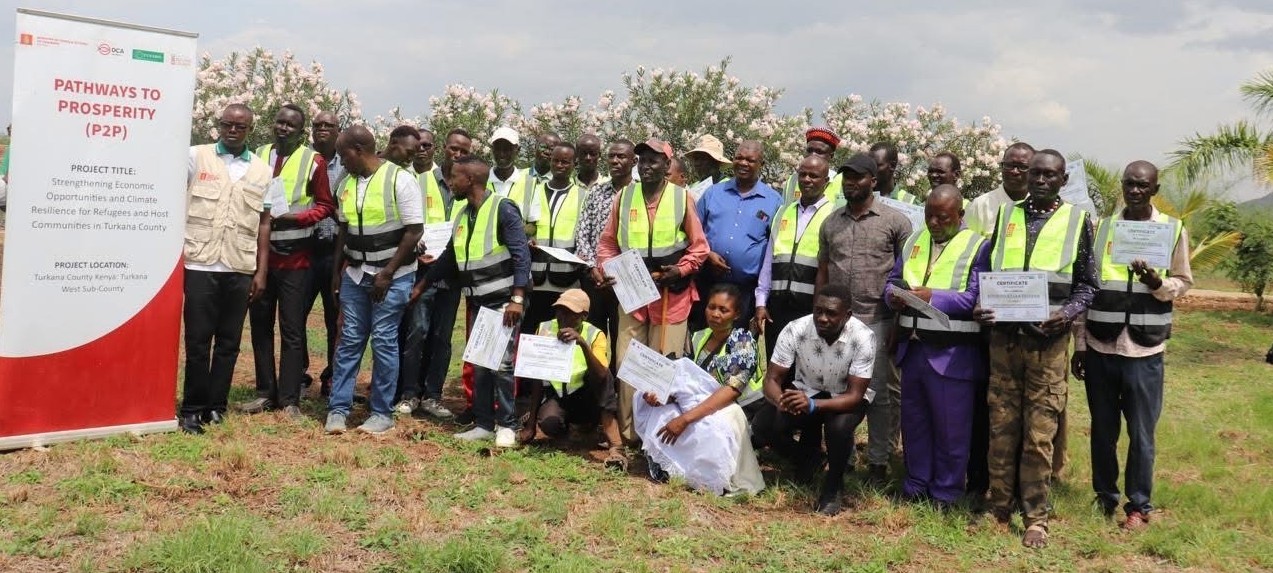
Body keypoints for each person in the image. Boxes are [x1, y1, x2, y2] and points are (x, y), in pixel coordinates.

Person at [973, 148, 1097, 548]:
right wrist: (983, 306)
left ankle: (1036, 517)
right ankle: (998, 505)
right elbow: (989, 272)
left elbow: (1088, 284)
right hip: (1005, 342)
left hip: (1048, 345)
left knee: (1040, 433)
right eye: (1035, 175)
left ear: (1063, 180)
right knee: (1001, 426)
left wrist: (1069, 314)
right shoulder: (1007, 216)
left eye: (1050, 175)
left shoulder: (1077, 221)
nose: (1041, 181)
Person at [1072, 160, 1192, 530]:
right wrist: (1079, 343)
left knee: (1142, 433)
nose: (1135, 190)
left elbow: (1184, 281)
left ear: (1155, 190)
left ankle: (1138, 506)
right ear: (1121, 187)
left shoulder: (1172, 230)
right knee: (1103, 429)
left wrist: (1157, 283)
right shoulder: (1102, 228)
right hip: (1101, 343)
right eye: (1129, 184)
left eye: (1143, 185)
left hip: (1145, 349)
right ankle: (1104, 496)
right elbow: (1087, 287)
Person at [596, 137, 710, 444]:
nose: (647, 166)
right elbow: (608, 243)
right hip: (632, 293)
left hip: (670, 293)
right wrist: (606, 268)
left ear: (667, 165)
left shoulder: (681, 197)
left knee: (664, 363)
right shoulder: (623, 197)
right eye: (643, 160)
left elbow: (699, 248)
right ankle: (630, 433)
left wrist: (682, 269)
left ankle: (660, 434)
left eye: (654, 161)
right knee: (629, 362)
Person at [884, 185, 990, 507]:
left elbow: (975, 296)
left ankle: (946, 492)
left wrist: (933, 296)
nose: (933, 222)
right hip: (913, 349)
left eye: (942, 217)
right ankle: (916, 485)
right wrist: (892, 296)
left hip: (951, 354)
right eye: (929, 214)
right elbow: (894, 279)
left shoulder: (978, 246)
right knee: (915, 424)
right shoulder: (915, 240)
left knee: (950, 430)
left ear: (959, 215)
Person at [417, 155, 532, 448]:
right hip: (478, 301)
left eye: (454, 177)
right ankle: (483, 423)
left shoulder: (503, 208)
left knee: (502, 365)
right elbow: (450, 258)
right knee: (481, 362)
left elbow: (521, 255)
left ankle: (507, 425)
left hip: (504, 300)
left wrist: (517, 299)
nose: (450, 182)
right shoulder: (463, 214)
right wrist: (422, 285)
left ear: (469, 180)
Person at [815, 152, 912, 485]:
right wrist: (819, 314)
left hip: (878, 318)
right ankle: (839, 455)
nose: (850, 183)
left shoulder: (895, 222)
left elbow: (904, 278)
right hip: (838, 322)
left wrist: (897, 326)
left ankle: (879, 461)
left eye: (857, 177)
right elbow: (824, 269)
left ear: (873, 181)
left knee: (880, 395)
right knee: (836, 388)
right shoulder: (831, 223)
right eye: (846, 178)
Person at [179, 103, 276, 434]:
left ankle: (215, 407)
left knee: (229, 343)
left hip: (239, 266)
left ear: (250, 129)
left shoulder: (263, 171)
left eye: (240, 126)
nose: (233, 130)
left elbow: (265, 224)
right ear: (218, 126)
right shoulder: (195, 156)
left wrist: (261, 271)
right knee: (197, 341)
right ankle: (191, 409)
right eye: (227, 125)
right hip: (199, 263)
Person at [324, 126, 425, 435]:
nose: (341, 162)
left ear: (358, 150)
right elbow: (343, 229)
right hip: (355, 275)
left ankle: (381, 413)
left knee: (383, 341)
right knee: (350, 340)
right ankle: (338, 409)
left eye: (343, 156)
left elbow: (414, 231)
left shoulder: (401, 179)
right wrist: (335, 273)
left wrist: (388, 272)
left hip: (392, 277)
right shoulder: (346, 184)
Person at [239, 104, 335, 418]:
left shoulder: (314, 161)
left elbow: (325, 205)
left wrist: (300, 218)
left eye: (290, 125)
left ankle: (290, 399)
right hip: (260, 258)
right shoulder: (258, 154)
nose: (283, 129)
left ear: (300, 131)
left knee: (292, 329)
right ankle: (265, 392)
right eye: (279, 122)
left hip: (296, 258)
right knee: (260, 326)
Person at [752, 285, 875, 515]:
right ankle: (808, 458)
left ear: (847, 315)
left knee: (838, 428)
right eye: (818, 311)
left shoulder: (863, 337)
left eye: (831, 313)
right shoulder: (795, 329)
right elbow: (771, 379)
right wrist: (782, 401)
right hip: (806, 389)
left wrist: (812, 406)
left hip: (844, 398)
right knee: (764, 424)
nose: (823, 318)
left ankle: (833, 486)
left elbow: (855, 395)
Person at [637, 284, 766, 495]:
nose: (715, 314)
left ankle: (712, 476)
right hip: (699, 401)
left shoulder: (742, 341)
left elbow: (732, 391)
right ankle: (677, 468)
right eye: (711, 307)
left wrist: (685, 419)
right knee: (655, 407)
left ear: (737, 314)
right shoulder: (698, 336)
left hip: (735, 407)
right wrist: (665, 397)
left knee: (707, 423)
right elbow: (686, 382)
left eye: (723, 310)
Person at [962, 141, 1035, 497]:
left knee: (1031, 407)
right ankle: (980, 479)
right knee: (986, 404)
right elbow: (969, 260)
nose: (1016, 172)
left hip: (1035, 327)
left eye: (1024, 167)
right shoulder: (983, 206)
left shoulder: (1049, 212)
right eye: (1010, 165)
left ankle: (1027, 481)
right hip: (989, 323)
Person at [392, 128, 466, 419]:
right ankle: (409, 394)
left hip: (454, 274)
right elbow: (406, 220)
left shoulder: (469, 185)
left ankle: (433, 396)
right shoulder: (417, 181)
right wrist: (416, 245)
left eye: (463, 150)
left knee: (442, 336)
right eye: (453, 149)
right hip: (423, 270)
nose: (457, 154)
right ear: (442, 149)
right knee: (417, 332)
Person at [519, 289, 627, 468]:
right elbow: (537, 377)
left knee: (606, 376)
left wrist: (583, 344)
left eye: (570, 313)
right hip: (559, 395)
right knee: (549, 423)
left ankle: (615, 445)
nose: (562, 317)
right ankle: (567, 429)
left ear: (583, 316)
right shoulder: (545, 329)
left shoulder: (594, 334)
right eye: (559, 310)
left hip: (587, 397)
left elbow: (601, 375)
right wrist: (531, 426)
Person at [691, 140, 782, 331]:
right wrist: (707, 254)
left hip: (745, 290)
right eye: (739, 158)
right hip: (708, 283)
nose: (743, 163)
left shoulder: (774, 201)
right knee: (701, 339)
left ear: (761, 165)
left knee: (737, 348)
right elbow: (693, 231)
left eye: (750, 160)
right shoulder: (713, 193)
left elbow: (775, 246)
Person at [754, 155, 835, 358]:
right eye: (803, 174)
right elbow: (768, 262)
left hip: (810, 310)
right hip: (776, 309)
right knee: (774, 366)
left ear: (826, 182)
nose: (807, 179)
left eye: (814, 176)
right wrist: (761, 302)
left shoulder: (834, 215)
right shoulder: (783, 212)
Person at [577, 139, 635, 378]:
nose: (615, 161)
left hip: (628, 282)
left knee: (624, 340)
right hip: (596, 280)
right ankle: (594, 393)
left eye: (621, 156)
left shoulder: (641, 192)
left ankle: (620, 392)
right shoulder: (596, 193)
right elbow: (582, 234)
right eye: (611, 156)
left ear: (634, 161)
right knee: (595, 336)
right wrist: (592, 267)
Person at [302, 111, 346, 397]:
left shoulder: (349, 164)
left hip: (336, 253)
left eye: (328, 125)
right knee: (296, 316)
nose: (322, 130)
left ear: (338, 131)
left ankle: (332, 376)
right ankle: (300, 374)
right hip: (304, 250)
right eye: (317, 125)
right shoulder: (303, 161)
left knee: (336, 318)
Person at [525, 142, 587, 331]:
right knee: (530, 334)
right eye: (556, 161)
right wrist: (527, 239)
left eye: (565, 162)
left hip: (567, 280)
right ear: (550, 162)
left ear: (574, 165)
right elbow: (524, 226)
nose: (560, 166)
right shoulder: (534, 191)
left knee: (560, 334)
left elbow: (585, 234)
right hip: (535, 279)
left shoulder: (583, 195)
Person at [966, 143, 1035, 237]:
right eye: (1009, 165)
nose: (1014, 171)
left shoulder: (1040, 207)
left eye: (1022, 167)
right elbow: (968, 245)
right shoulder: (980, 205)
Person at [781, 127, 841, 204]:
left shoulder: (843, 182)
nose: (812, 155)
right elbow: (785, 209)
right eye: (809, 151)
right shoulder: (793, 179)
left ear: (831, 156)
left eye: (819, 152)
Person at [683, 134, 730, 201]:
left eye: (703, 159)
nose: (697, 163)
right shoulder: (692, 188)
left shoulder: (729, 187)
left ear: (716, 161)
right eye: (696, 159)